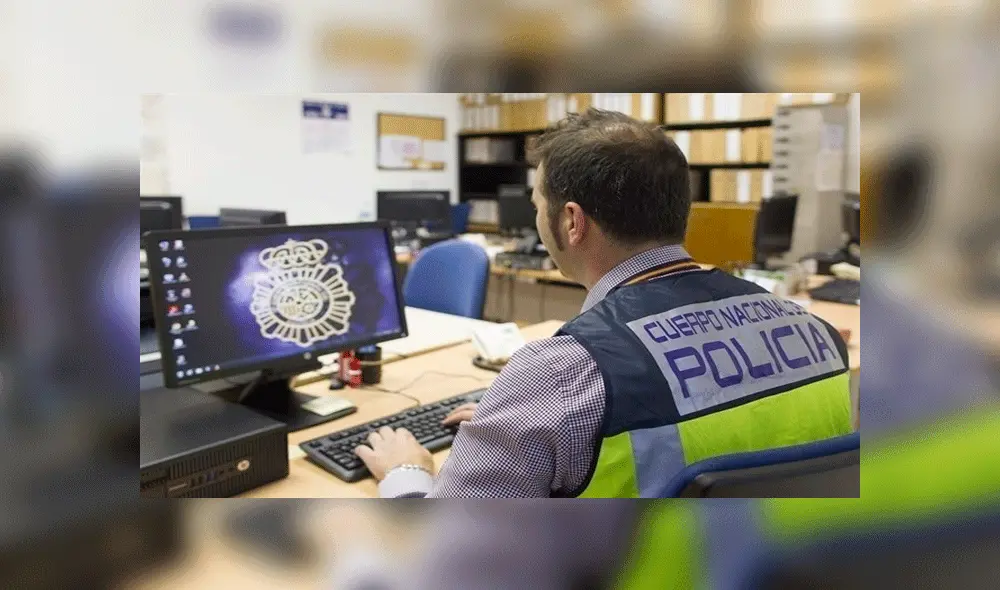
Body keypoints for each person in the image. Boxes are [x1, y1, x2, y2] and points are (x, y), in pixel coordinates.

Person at [355, 108, 853, 498]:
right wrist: (515, 427)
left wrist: (405, 473)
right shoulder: (815, 330)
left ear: (571, 222)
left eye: (537, 207)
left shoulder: (560, 373)